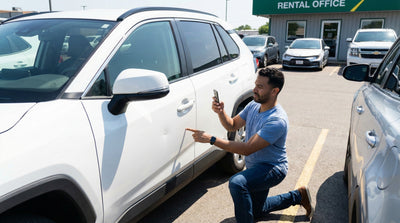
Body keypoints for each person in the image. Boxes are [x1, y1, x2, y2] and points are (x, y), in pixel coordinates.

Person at [186, 67, 313, 223]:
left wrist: (212, 139)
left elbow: (246, 149)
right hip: (255, 167)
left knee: (237, 183)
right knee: (256, 210)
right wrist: (221, 112)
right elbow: (232, 125)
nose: (254, 89)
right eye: (255, 84)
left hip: (272, 169)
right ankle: (298, 196)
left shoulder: (276, 120)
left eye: (260, 87)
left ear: (274, 91)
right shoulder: (253, 105)